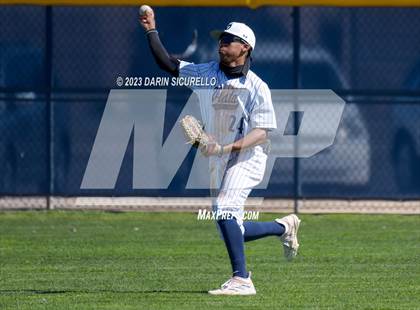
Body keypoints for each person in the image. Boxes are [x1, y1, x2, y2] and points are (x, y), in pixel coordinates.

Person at [139, 7, 301, 296]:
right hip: (222, 158)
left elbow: (262, 132)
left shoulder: (256, 87)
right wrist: (151, 29)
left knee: (225, 210)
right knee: (228, 226)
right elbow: (168, 63)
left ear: (245, 48)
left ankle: (242, 280)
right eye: (221, 38)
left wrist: (225, 146)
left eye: (229, 39)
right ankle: (283, 227)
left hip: (250, 156)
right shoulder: (205, 73)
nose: (222, 43)